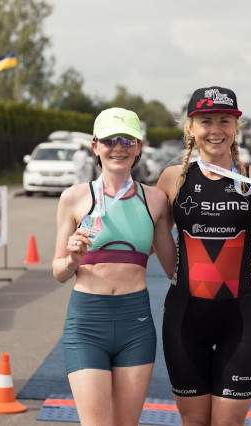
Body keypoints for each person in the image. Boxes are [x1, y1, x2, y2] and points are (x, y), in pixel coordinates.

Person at [156, 86, 251, 426]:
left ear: (236, 127)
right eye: (206, 121)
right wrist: (187, 275)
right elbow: (155, 238)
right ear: (191, 127)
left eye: (224, 121)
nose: (215, 130)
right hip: (185, 317)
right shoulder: (173, 179)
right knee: (194, 422)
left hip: (241, 317)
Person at [52, 107, 177, 426]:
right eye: (109, 140)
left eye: (127, 140)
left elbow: (175, 269)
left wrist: (243, 272)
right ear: (95, 146)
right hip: (86, 324)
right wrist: (72, 260)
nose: (118, 147)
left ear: (139, 146)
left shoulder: (155, 200)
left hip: (136, 325)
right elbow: (58, 272)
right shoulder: (73, 198)